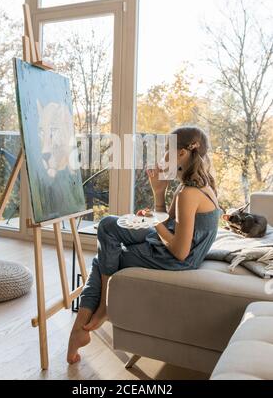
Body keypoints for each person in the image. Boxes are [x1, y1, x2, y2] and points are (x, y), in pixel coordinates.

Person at [67, 125, 221, 364]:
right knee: (108, 226)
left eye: (166, 152)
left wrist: (152, 222)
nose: (162, 158)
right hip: (166, 245)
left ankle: (99, 310)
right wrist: (159, 192)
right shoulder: (195, 186)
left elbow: (180, 252)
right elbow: (170, 224)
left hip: (172, 258)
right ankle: (86, 325)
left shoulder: (189, 194)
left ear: (182, 153)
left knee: (103, 260)